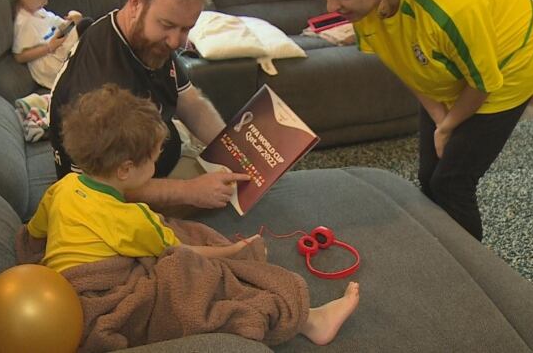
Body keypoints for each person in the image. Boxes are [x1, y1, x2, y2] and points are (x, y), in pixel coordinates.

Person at [26, 84, 360, 346]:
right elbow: (180, 253)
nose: (157, 164)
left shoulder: (63, 188)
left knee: (172, 229)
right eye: (154, 159)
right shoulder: (130, 218)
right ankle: (309, 321)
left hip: (59, 301)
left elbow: (35, 232)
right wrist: (233, 251)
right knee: (189, 276)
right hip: (98, 301)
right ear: (126, 169)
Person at [310, 0, 533, 241]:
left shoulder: (452, 8)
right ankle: (441, 248)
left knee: (451, 181)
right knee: (428, 174)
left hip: (507, 66)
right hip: (453, 60)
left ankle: (473, 273)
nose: (331, 6)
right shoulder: (368, 4)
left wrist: (448, 125)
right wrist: (437, 114)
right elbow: (403, 62)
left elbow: (484, 83)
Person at [49, 0, 250, 215]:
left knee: (242, 181)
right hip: (113, 197)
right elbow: (104, 185)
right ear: (135, 3)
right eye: (167, 25)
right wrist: (190, 191)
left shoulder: (149, 41)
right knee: (231, 202)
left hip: (157, 161)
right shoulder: (101, 83)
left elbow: (190, 101)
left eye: (186, 28)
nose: (176, 41)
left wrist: (234, 150)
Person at [9, 0, 91, 89]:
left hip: (57, 50)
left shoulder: (39, 11)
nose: (46, 2)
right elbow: (19, 56)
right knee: (86, 27)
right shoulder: (23, 22)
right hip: (47, 63)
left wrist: (72, 20)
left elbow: (60, 25)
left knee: (85, 26)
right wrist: (49, 47)